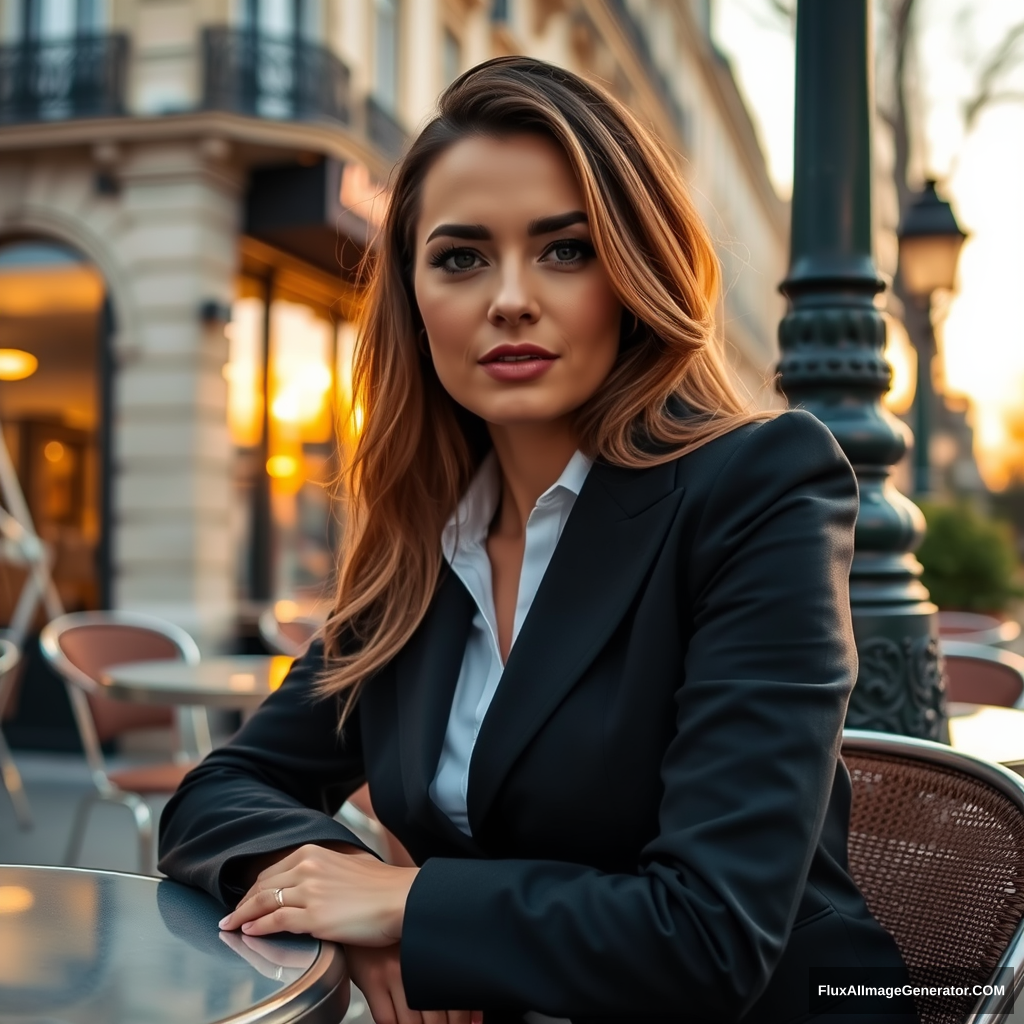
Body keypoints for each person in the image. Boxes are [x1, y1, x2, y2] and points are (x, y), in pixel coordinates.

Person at [158, 56, 917, 1024]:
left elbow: (711, 933)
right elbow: (219, 789)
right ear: (414, 296)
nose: (508, 297)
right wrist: (346, 892)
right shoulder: (426, 546)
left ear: (633, 273)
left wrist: (416, 907)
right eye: (461, 257)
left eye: (565, 249)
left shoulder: (757, 486)